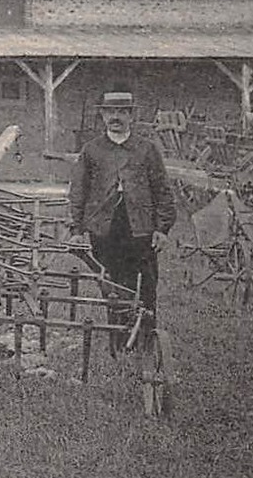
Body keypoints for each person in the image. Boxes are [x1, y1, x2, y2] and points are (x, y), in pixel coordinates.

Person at [67, 89, 176, 349]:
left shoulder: (147, 149)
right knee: (112, 285)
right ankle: (118, 341)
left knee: (146, 284)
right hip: (105, 229)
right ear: (103, 115)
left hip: (141, 228)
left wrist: (162, 229)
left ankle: (146, 341)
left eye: (121, 112)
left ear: (130, 116)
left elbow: (162, 189)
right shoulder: (92, 150)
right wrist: (77, 228)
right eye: (110, 112)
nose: (115, 117)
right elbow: (78, 190)